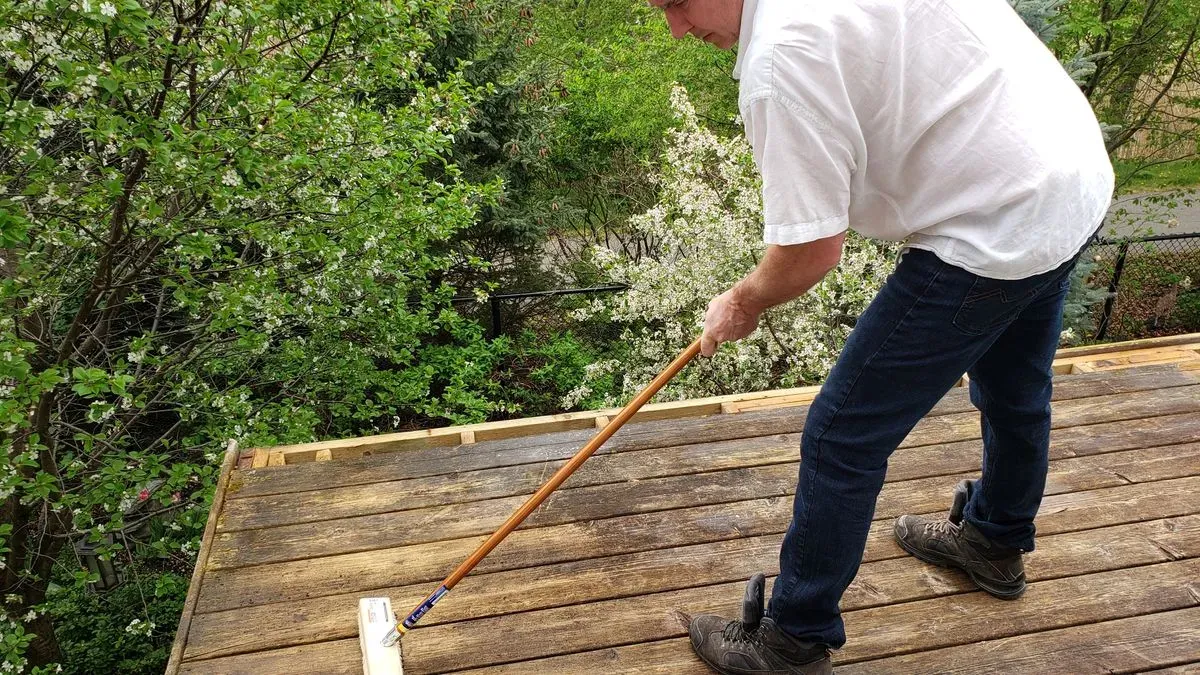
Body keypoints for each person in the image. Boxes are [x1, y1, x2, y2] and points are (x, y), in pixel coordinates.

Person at [648, 0, 1115, 673]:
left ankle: (794, 639)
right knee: (1016, 386)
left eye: (679, 3)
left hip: (998, 217)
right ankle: (994, 539)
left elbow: (810, 250)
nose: (678, 29)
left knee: (842, 436)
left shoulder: (781, 58)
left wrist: (742, 302)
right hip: (1071, 175)